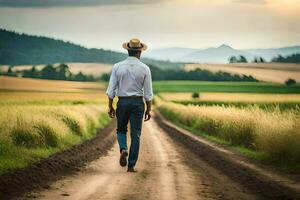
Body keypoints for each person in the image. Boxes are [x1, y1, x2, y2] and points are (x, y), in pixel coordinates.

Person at [106, 38, 153, 172]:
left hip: (123, 102)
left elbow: (111, 89)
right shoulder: (145, 68)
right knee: (136, 134)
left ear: (128, 50)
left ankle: (123, 149)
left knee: (121, 130)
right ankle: (131, 166)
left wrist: (110, 105)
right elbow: (148, 93)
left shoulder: (117, 66)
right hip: (138, 103)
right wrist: (148, 109)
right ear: (139, 52)